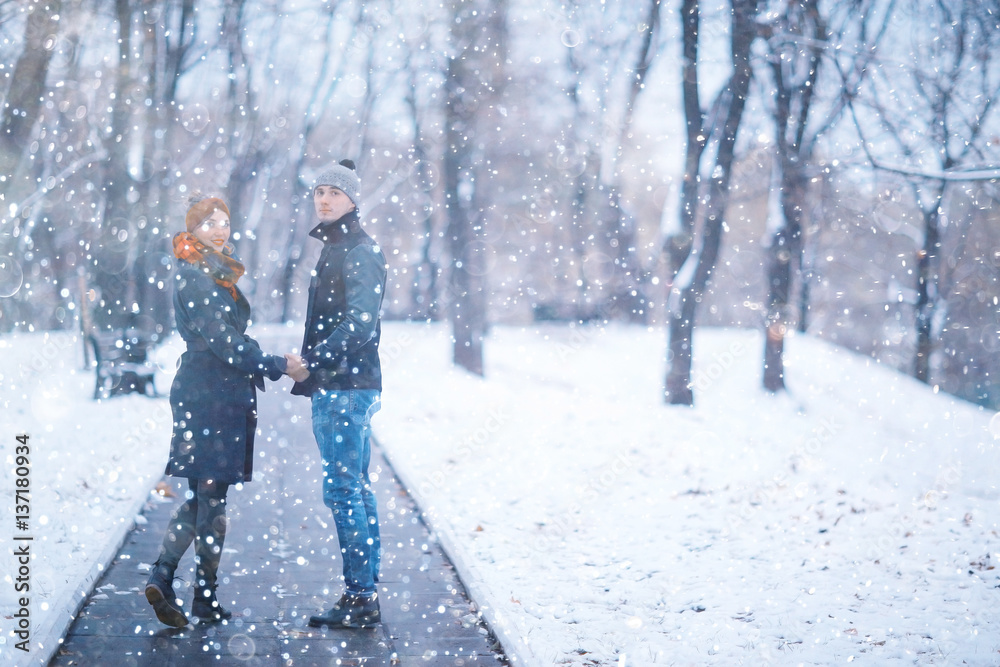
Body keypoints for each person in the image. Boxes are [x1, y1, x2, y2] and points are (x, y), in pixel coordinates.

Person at [144, 194, 293, 627]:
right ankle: (189, 589)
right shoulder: (195, 274)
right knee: (210, 500)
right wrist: (275, 363)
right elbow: (223, 339)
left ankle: (183, 585)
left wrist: (264, 361)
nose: (219, 228)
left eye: (224, 221)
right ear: (193, 230)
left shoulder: (214, 271)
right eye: (209, 222)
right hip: (207, 392)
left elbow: (226, 336)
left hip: (214, 391)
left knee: (207, 497)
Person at [285, 159, 387, 629]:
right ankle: (364, 588)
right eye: (319, 191)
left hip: (345, 386)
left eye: (334, 193)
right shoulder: (339, 247)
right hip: (343, 383)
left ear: (352, 200)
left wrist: (315, 361)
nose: (324, 199)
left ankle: (361, 597)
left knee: (343, 490)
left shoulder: (358, 250)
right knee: (354, 487)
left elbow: (360, 324)